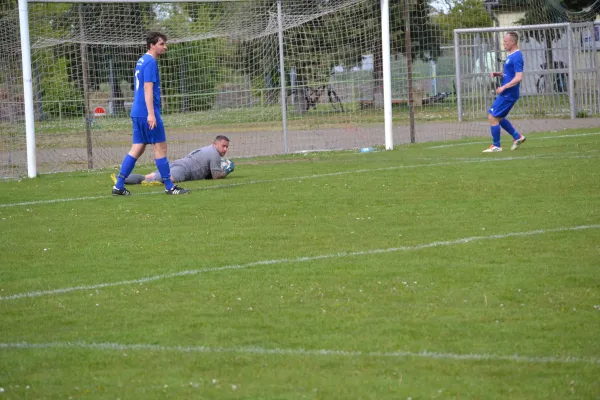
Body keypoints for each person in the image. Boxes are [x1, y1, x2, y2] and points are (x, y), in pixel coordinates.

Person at [112, 31, 190, 195]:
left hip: (137, 111)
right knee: (160, 147)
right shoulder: (150, 62)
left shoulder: (141, 60)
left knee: (137, 148)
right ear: (152, 45)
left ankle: (119, 185)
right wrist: (151, 114)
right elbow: (147, 88)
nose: (165, 47)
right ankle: (170, 187)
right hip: (147, 112)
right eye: (161, 44)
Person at [112, 135, 235, 186]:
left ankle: (121, 178)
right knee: (149, 180)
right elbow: (215, 176)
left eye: (227, 147)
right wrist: (228, 170)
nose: (225, 149)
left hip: (178, 163)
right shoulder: (215, 154)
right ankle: (120, 180)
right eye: (223, 146)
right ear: (215, 144)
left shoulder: (208, 149)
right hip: (183, 171)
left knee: (148, 176)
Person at [483, 31, 527, 153]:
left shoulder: (517, 56)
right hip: (507, 92)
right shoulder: (511, 55)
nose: (504, 44)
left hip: (509, 93)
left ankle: (496, 146)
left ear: (512, 42)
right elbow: (510, 74)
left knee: (492, 117)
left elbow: (518, 77)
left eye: (506, 42)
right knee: (499, 117)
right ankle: (517, 137)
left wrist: (503, 87)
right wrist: (499, 74)